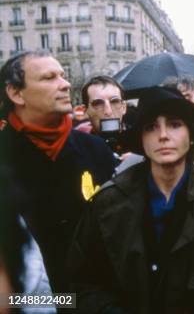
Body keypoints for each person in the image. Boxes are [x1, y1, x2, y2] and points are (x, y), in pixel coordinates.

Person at [69, 87, 194, 314]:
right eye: (151, 127)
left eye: (174, 124)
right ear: (141, 139)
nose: (163, 135)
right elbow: (80, 286)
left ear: (191, 135)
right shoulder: (108, 202)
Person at [0, 51, 115, 292]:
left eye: (62, 76)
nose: (65, 84)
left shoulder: (95, 149)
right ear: (16, 93)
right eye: (49, 78)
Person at [79, 75, 129, 159]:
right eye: (98, 103)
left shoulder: (141, 142)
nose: (108, 111)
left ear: (124, 107)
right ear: (85, 111)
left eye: (114, 102)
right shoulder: (77, 146)